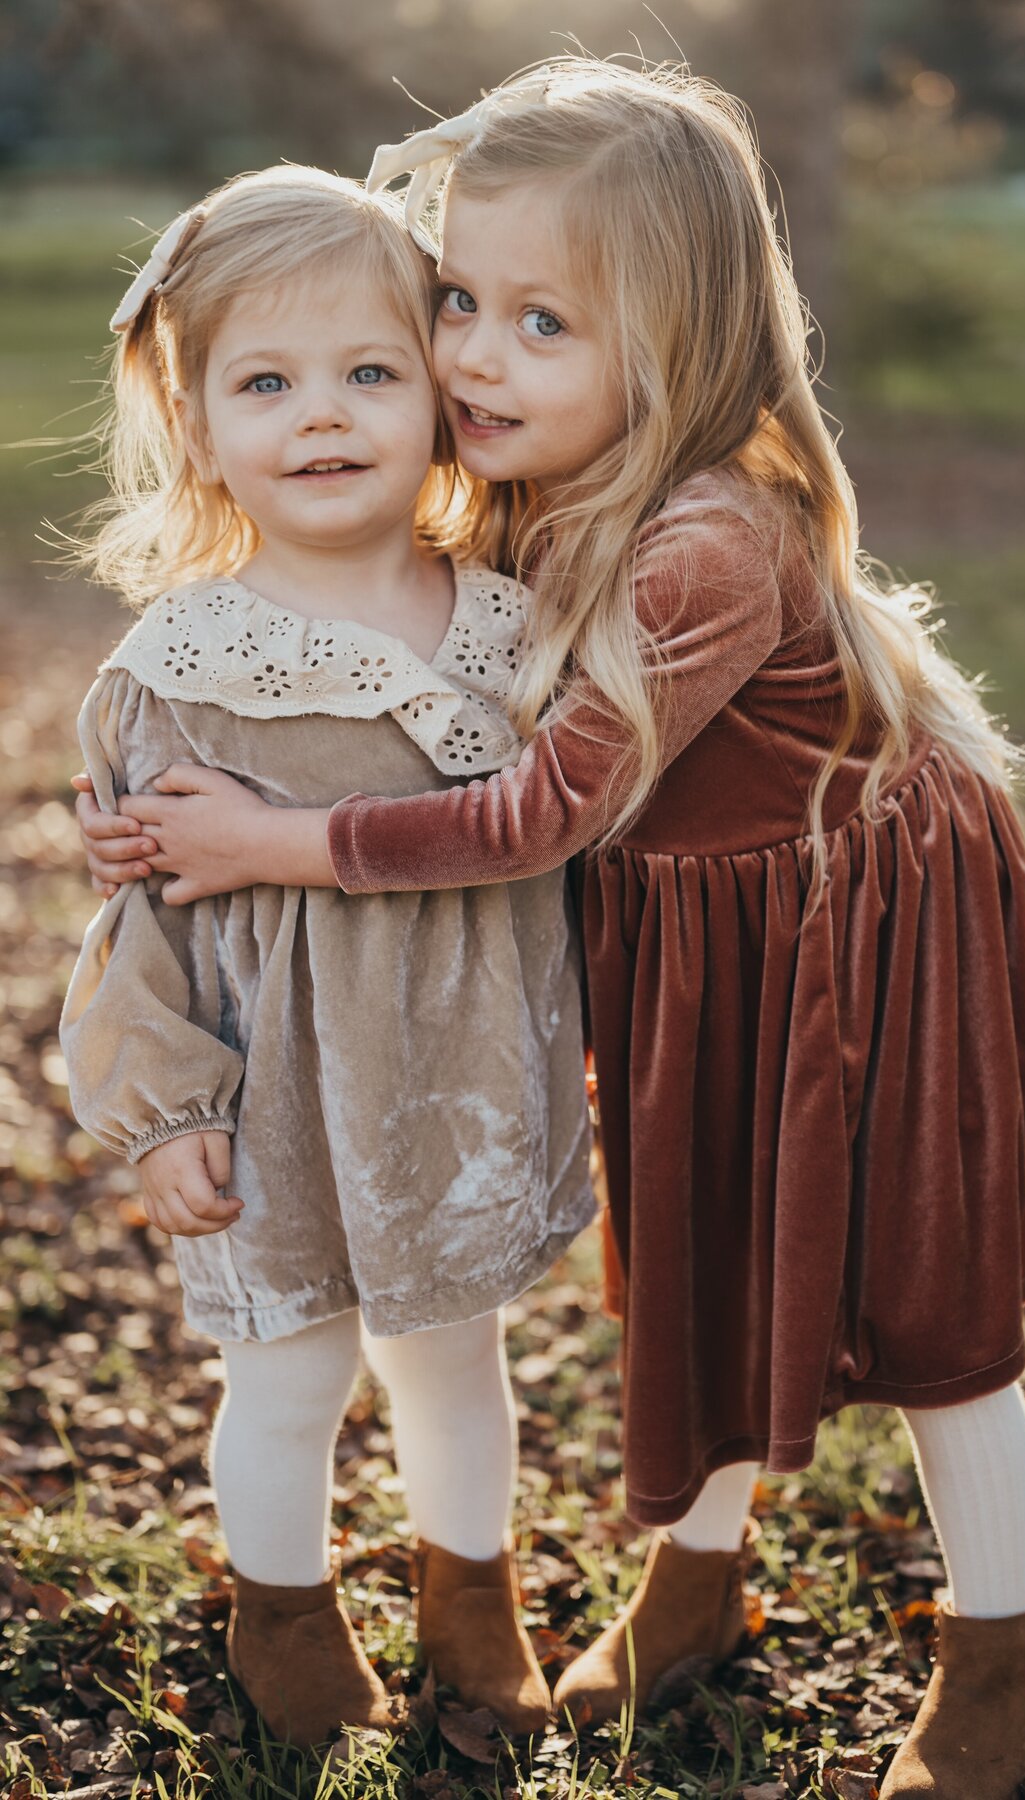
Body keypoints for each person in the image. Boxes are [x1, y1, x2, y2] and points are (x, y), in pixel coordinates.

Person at [77, 64, 1025, 1797]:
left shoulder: (700, 541)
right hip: (710, 941)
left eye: (541, 321)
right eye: (459, 300)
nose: (472, 355)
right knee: (709, 1265)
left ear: (681, 349)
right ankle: (696, 1585)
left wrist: (279, 837)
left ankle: (998, 1660)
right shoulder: (531, 495)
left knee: (924, 1302)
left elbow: (536, 811)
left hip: (858, 927)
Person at [60, 162, 595, 1746]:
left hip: (455, 1096)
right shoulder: (178, 668)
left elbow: (564, 853)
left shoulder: (513, 628)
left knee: (453, 1363)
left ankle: (470, 1593)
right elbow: (135, 919)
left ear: (438, 397)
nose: (325, 416)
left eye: (370, 373)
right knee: (289, 1378)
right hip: (276, 1103)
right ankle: (280, 1609)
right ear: (197, 419)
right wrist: (165, 1108)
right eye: (267, 383)